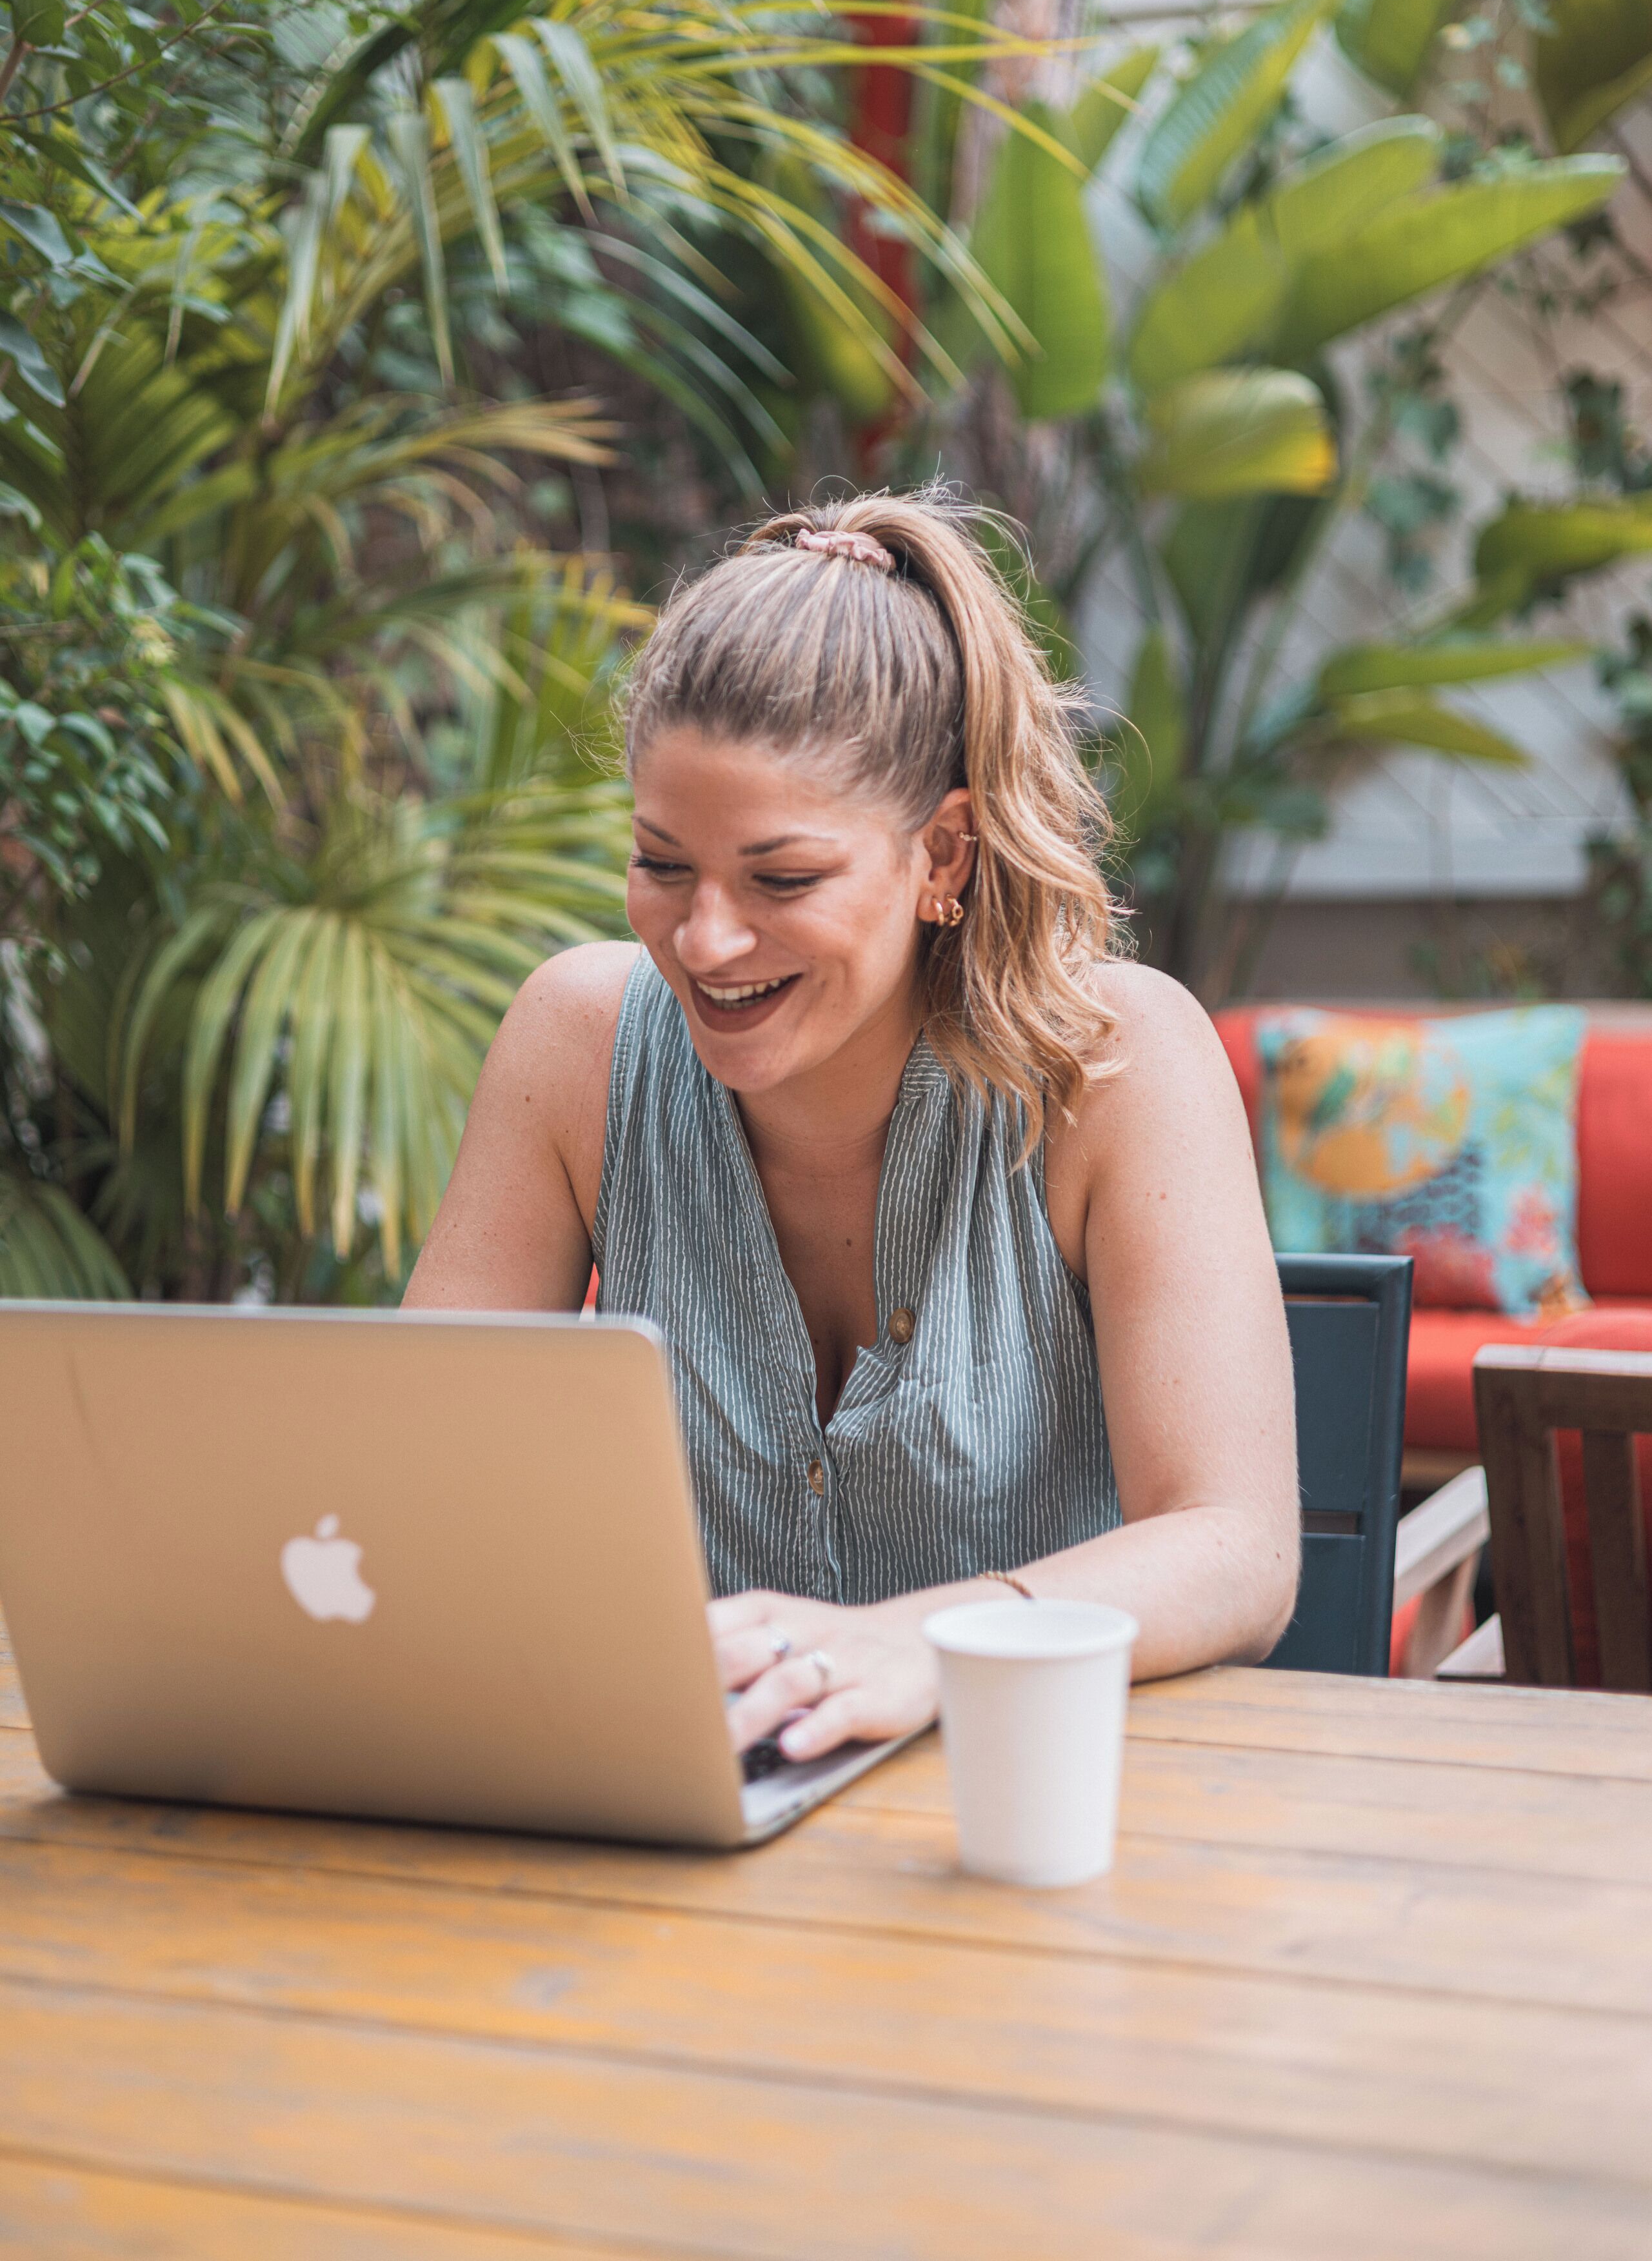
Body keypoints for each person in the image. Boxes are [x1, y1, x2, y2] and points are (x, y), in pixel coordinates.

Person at [406, 490, 1299, 1764]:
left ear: (943, 855)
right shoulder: (576, 1046)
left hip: (1039, 1810)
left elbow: (1238, 1548)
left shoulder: (1116, 1068)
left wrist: (927, 1645)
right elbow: (414, 1484)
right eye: (663, 863)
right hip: (689, 1819)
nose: (705, 941)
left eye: (783, 879)